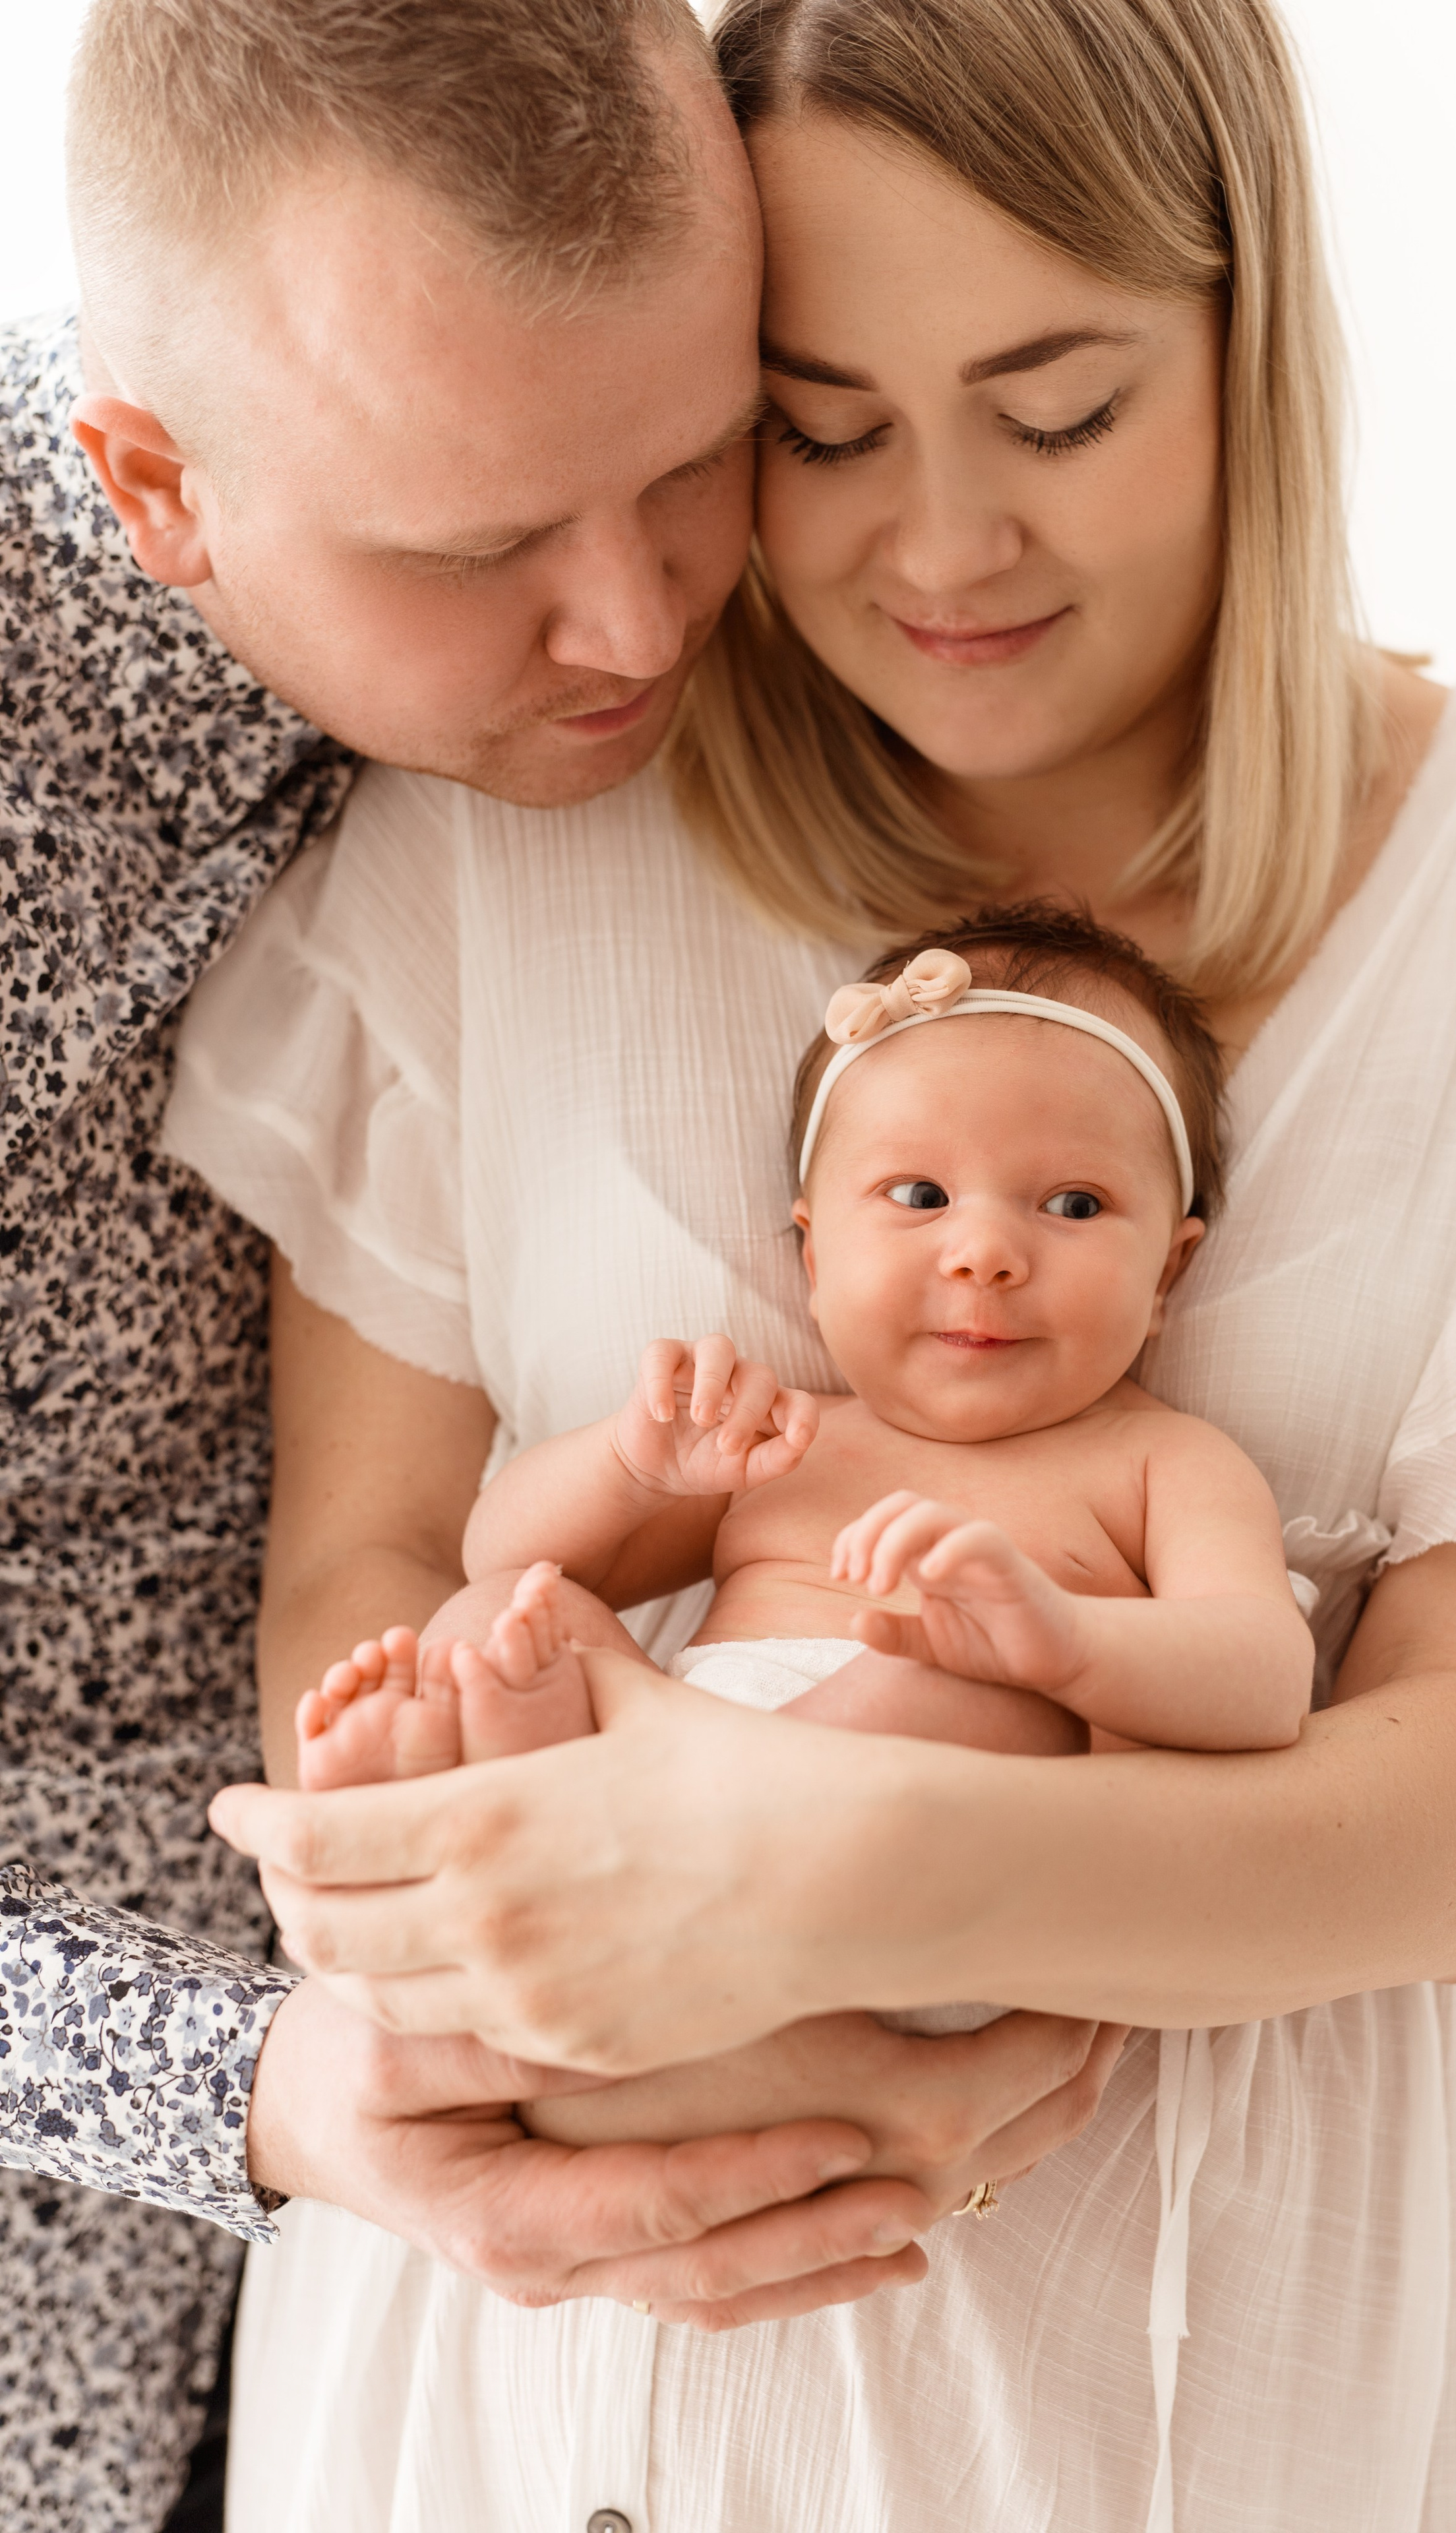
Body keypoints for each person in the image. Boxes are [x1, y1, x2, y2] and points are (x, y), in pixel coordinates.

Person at [187, 0, 1456, 2524]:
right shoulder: (503, 850)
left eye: (1063, 406)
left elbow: (1454, 1815)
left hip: (1253, 2377)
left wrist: (820, 1862)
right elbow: (355, 1577)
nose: (943, 545)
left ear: (1255, 333)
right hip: (547, 2382)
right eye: (821, 424)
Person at [0, 5, 1111, 2527]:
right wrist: (268, 2090)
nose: (632, 621)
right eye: (480, 548)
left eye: (695, 453)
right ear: (156, 489)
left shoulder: (814, 634)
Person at [295, 910, 1314, 1811]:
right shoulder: (787, 1440)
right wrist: (632, 1468)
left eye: (1074, 1205)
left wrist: (1065, 1644)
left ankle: (562, 1813)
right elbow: (502, 1553)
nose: (985, 1254)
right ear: (815, 1255)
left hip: (914, 1867)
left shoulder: (1161, 1463)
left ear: (1168, 1276)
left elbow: (1267, 1677)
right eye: (919, 1197)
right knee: (510, 1613)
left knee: (983, 1707)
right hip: (671, 1777)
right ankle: (467, 1800)